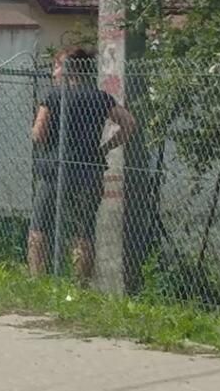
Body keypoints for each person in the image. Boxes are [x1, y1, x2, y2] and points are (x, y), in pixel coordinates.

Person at [27, 47, 137, 284]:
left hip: (55, 170)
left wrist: (44, 140)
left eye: (56, 66)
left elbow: (38, 132)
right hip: (88, 170)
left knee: (39, 226)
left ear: (67, 70)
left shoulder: (54, 96)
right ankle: (80, 285)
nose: (53, 73)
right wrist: (106, 147)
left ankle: (38, 280)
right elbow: (128, 123)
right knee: (83, 230)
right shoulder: (100, 97)